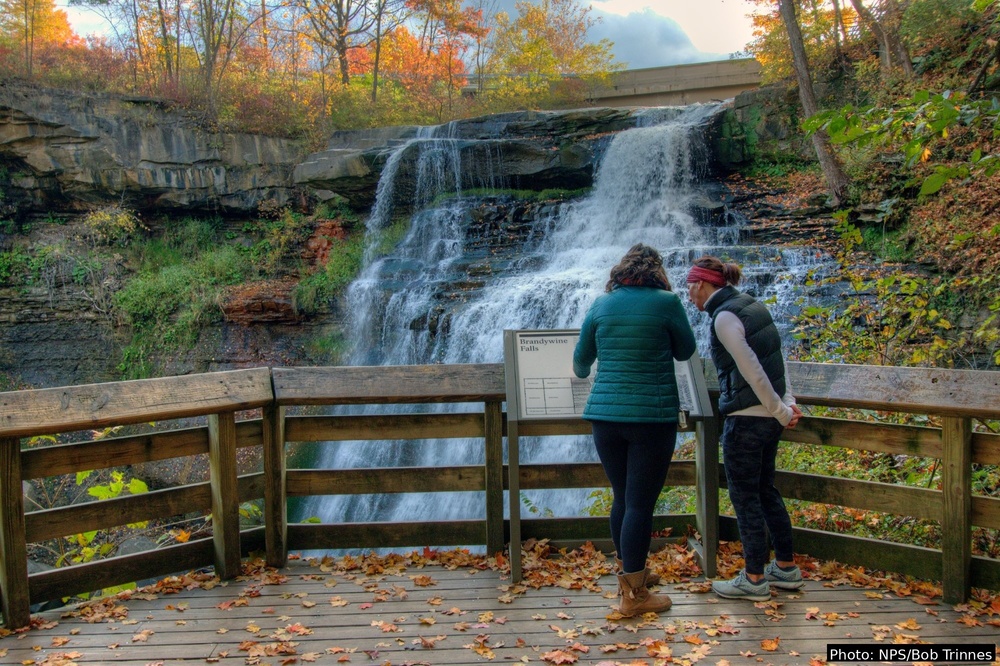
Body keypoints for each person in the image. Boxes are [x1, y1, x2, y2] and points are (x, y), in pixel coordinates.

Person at [573, 243, 697, 617]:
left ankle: (631, 574)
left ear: (621, 269)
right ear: (656, 271)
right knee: (640, 504)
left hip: (605, 419)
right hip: (650, 417)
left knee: (622, 498)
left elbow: (581, 364)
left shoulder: (600, 304)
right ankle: (634, 596)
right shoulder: (667, 302)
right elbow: (686, 351)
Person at [685, 255, 804, 602]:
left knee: (745, 496)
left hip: (747, 418)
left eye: (691, 288)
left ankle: (753, 577)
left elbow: (752, 370)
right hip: (768, 416)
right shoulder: (753, 306)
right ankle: (785, 567)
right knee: (766, 490)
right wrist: (787, 403)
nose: (689, 296)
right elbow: (777, 360)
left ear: (704, 285)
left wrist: (782, 410)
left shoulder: (724, 317)